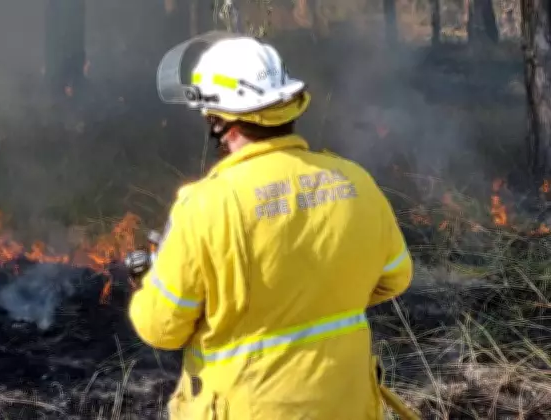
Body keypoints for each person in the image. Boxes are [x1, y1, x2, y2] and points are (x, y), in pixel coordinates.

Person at [126, 34, 414, 420]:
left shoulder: (206, 206)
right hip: (349, 407)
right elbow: (395, 277)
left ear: (219, 121)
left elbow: (161, 328)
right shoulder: (355, 182)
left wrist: (153, 280)